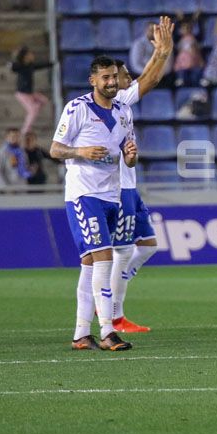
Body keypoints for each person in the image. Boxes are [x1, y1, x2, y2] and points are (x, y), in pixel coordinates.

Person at [50, 56, 137, 351]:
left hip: (111, 194)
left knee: (89, 263)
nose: (112, 82)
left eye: (114, 77)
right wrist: (82, 151)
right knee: (104, 258)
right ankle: (108, 330)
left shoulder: (124, 111)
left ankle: (80, 334)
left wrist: (131, 156)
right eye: (105, 78)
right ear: (93, 81)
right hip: (84, 194)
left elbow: (128, 154)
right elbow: (55, 149)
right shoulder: (78, 108)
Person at [110, 17, 174, 334]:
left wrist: (161, 53)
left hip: (130, 187)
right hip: (119, 188)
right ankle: (113, 314)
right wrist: (162, 52)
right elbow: (149, 80)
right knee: (122, 252)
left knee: (147, 246)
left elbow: (147, 79)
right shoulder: (116, 100)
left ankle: (108, 301)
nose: (129, 78)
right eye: (123, 75)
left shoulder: (123, 102)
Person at [10, 46, 53, 135]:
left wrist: (52, 64)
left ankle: (36, 106)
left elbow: (40, 65)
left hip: (30, 93)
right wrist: (16, 56)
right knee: (33, 110)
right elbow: (13, 67)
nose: (32, 55)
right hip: (22, 94)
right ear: (25, 56)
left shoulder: (30, 66)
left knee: (44, 101)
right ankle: (25, 131)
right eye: (30, 54)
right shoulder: (20, 66)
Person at [173, 13, 204, 87]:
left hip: (194, 62)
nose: (186, 29)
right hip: (182, 64)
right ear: (181, 30)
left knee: (195, 79)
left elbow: (201, 34)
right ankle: (181, 81)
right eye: (184, 28)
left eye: (188, 28)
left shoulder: (195, 38)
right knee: (182, 79)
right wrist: (178, 20)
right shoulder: (179, 39)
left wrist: (198, 19)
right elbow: (174, 33)